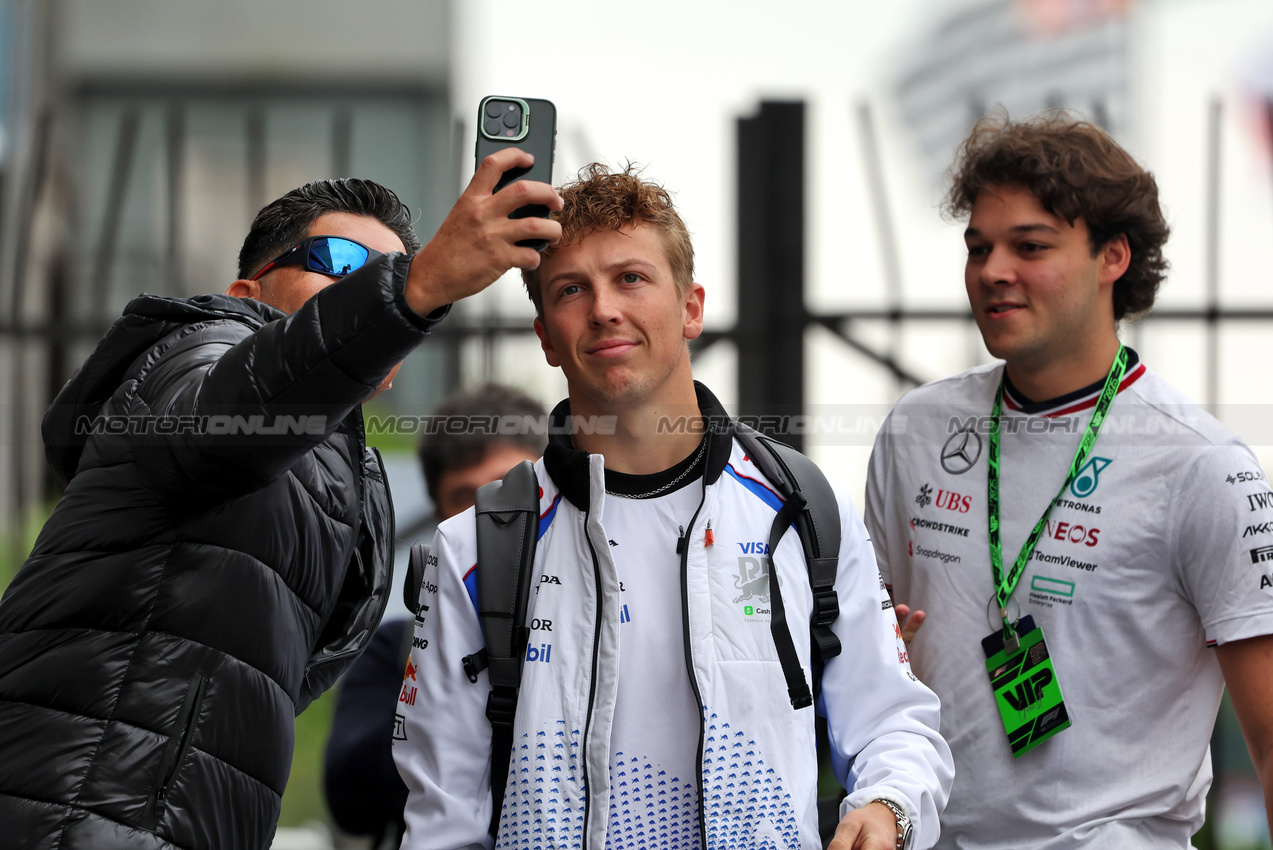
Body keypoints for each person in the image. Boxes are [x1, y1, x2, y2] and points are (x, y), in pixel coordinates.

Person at [0, 148, 562, 850]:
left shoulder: (350, 475)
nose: (364, 287)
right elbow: (229, 415)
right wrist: (413, 290)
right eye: (335, 260)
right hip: (76, 806)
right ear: (246, 291)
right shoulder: (197, 347)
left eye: (383, 274)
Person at [393, 163, 953, 850]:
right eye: (571, 290)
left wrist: (887, 806)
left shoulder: (804, 510)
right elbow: (441, 821)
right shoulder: (476, 548)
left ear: (690, 308)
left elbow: (894, 724)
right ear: (544, 338)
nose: (603, 309)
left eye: (630, 278)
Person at [864, 112, 1273, 849]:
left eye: (1029, 246)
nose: (992, 271)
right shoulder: (916, 430)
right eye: (978, 247)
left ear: (1112, 256)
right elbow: (864, 658)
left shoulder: (1202, 465)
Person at [324, 383, 548, 850]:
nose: (489, 520)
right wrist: (439, 669)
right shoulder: (396, 646)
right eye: (467, 500)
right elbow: (349, 795)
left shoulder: (608, 628)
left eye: (509, 491)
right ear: (439, 513)